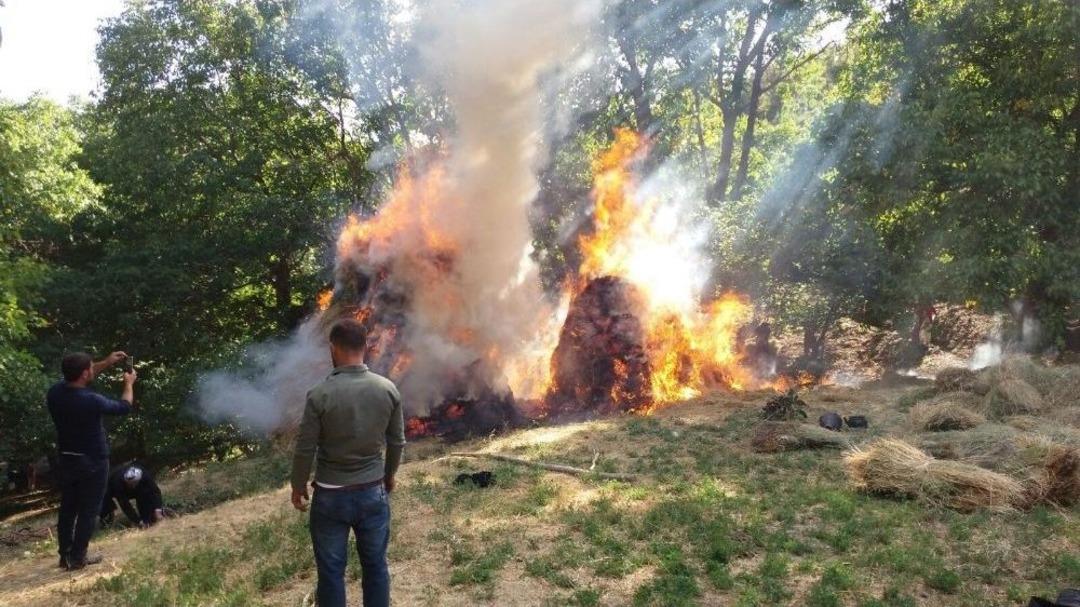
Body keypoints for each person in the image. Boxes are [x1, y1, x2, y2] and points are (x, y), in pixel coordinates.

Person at [290, 319, 405, 607]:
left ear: (333, 348)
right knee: (376, 566)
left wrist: (297, 484)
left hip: (330, 496)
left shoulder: (319, 395)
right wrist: (389, 475)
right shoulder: (387, 389)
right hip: (372, 491)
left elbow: (305, 448)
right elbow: (397, 441)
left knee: (330, 572)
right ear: (366, 346)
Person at [46, 351, 136, 570]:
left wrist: (106, 362)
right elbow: (124, 406)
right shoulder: (91, 400)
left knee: (68, 508)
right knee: (88, 510)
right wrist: (129, 383)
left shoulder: (55, 392)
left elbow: (80, 375)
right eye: (91, 367)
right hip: (93, 461)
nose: (93, 368)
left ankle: (65, 555)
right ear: (85, 373)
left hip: (67, 459)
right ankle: (78, 558)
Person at [100, 463, 163, 528]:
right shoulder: (117, 483)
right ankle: (105, 521)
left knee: (144, 494)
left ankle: (147, 519)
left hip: (137, 485)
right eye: (130, 484)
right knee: (105, 502)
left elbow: (155, 491)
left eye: (133, 483)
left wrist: (158, 509)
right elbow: (125, 505)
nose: (132, 486)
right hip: (110, 486)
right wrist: (137, 521)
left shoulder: (145, 476)